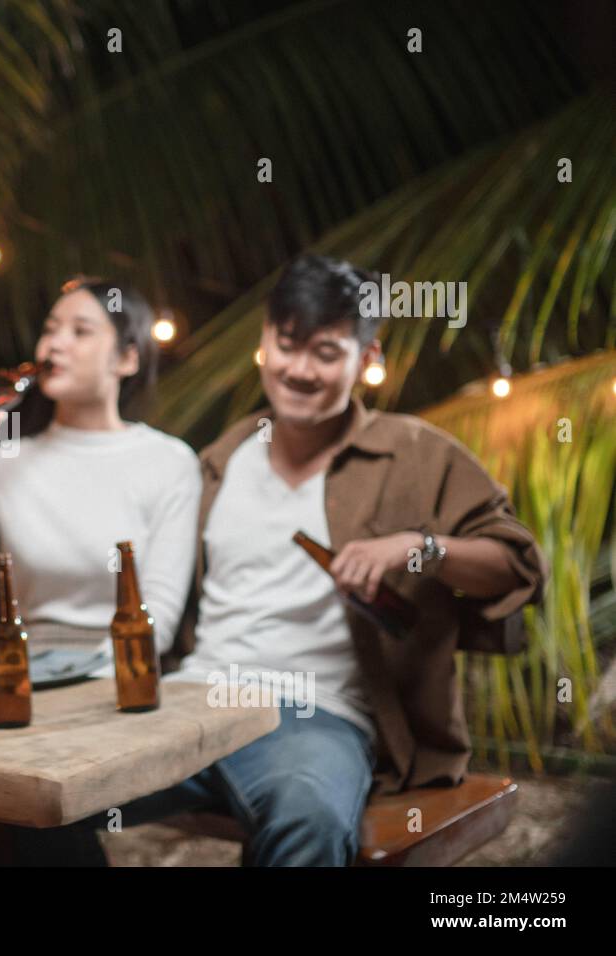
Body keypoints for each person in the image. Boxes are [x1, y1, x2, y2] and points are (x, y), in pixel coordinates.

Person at [128, 254, 547, 866]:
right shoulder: (221, 458)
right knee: (35, 794)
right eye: (288, 344)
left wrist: (420, 547)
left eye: (325, 352)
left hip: (313, 714)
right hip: (191, 698)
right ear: (264, 343)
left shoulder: (416, 453)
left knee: (309, 818)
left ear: (367, 361)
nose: (299, 370)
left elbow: (517, 565)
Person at [0, 276, 202, 665]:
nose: (54, 344)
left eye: (80, 331)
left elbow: (158, 619)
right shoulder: (1, 464)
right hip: (25, 673)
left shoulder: (170, 462)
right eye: (49, 330)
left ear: (128, 358)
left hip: (125, 675)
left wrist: (81, 681)